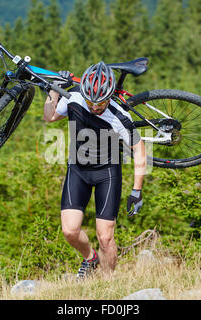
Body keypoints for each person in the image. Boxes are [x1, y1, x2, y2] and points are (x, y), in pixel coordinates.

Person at [43, 61, 146, 279]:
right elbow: (49, 117)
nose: (95, 107)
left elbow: (140, 150)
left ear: (109, 97)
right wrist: (53, 89)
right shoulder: (74, 98)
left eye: (101, 103)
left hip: (107, 173)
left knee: (106, 237)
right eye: (91, 102)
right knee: (69, 231)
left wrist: (137, 191)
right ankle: (90, 258)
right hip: (78, 170)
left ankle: (107, 283)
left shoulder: (119, 116)